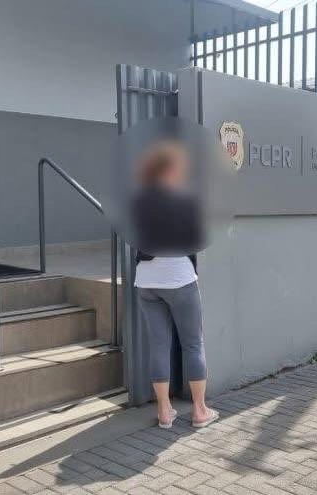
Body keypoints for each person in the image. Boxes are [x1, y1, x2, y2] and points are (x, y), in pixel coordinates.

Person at [131, 140, 218, 429]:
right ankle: (200, 411)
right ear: (171, 170)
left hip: (146, 280)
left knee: (159, 344)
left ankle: (164, 412)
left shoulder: (139, 201)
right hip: (178, 278)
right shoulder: (184, 199)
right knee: (193, 343)